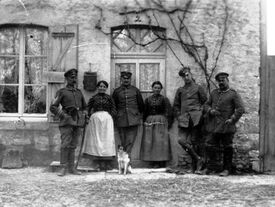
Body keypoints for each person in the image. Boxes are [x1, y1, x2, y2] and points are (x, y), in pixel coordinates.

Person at [202, 72, 245, 176]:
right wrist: (210, 110)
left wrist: (232, 119)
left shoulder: (233, 94)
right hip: (214, 126)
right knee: (209, 145)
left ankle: (226, 169)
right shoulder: (213, 93)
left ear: (227, 81)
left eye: (223, 80)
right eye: (219, 81)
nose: (221, 82)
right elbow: (206, 105)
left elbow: (240, 109)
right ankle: (210, 168)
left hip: (227, 125)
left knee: (227, 147)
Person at [50, 68, 87, 176]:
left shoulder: (79, 92)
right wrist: (63, 116)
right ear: (66, 78)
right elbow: (53, 107)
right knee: (65, 145)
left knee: (73, 145)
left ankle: (72, 168)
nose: (74, 79)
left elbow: (84, 107)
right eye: (71, 77)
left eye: (75, 77)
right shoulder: (61, 92)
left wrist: (85, 114)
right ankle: (63, 167)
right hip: (66, 123)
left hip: (77, 122)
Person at [173, 67, 207, 173]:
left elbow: (205, 102)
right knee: (181, 140)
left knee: (195, 141)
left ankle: (196, 167)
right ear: (182, 78)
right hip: (184, 119)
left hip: (196, 119)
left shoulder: (198, 88)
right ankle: (198, 158)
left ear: (191, 75)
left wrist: (200, 113)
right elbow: (176, 106)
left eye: (187, 75)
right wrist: (179, 116)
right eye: (184, 76)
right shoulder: (180, 90)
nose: (186, 77)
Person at [81, 80, 117, 171]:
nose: (102, 88)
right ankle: (97, 162)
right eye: (100, 86)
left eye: (104, 86)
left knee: (107, 140)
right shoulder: (93, 98)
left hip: (107, 120)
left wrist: (110, 117)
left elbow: (114, 109)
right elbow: (88, 108)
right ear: (97, 87)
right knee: (96, 140)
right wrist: (87, 116)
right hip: (95, 120)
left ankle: (106, 163)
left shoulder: (109, 98)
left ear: (106, 88)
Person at [112, 71, 144, 169]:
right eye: (124, 78)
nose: (126, 80)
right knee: (123, 142)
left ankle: (127, 163)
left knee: (130, 142)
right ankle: (122, 164)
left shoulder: (135, 90)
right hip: (121, 120)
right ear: (121, 79)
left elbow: (141, 105)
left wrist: (138, 116)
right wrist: (116, 116)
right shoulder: (117, 91)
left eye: (128, 79)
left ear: (130, 79)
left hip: (133, 119)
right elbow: (114, 106)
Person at [141, 81, 173, 168]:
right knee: (150, 141)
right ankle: (152, 161)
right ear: (152, 88)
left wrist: (168, 123)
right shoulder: (148, 100)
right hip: (150, 122)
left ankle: (161, 161)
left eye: (159, 88)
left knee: (159, 142)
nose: (157, 89)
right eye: (155, 87)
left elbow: (169, 112)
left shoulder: (164, 99)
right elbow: (145, 111)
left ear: (161, 89)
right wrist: (144, 121)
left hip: (160, 122)